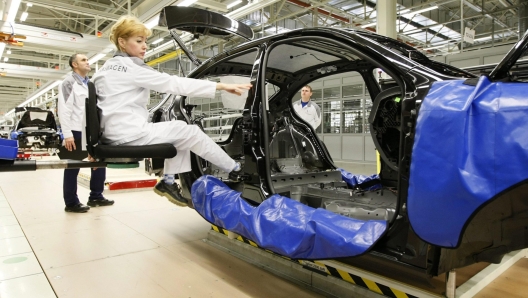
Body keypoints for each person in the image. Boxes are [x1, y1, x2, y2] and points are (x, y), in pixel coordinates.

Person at [92, 15, 252, 207]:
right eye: (139, 41)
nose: (145, 46)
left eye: (145, 41)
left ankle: (168, 182)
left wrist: (92, 142)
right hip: (128, 132)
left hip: (115, 131)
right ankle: (235, 168)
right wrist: (220, 86)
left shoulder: (105, 70)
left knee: (180, 131)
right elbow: (172, 83)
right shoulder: (131, 69)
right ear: (122, 42)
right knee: (189, 131)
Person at [58, 54, 114, 213]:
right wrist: (67, 134)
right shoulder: (69, 83)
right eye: (83, 60)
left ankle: (96, 196)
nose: (87, 62)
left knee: (99, 163)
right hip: (75, 131)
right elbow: (64, 109)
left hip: (92, 130)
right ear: (74, 64)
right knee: (72, 167)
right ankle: (71, 202)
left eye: (87, 59)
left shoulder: (90, 84)